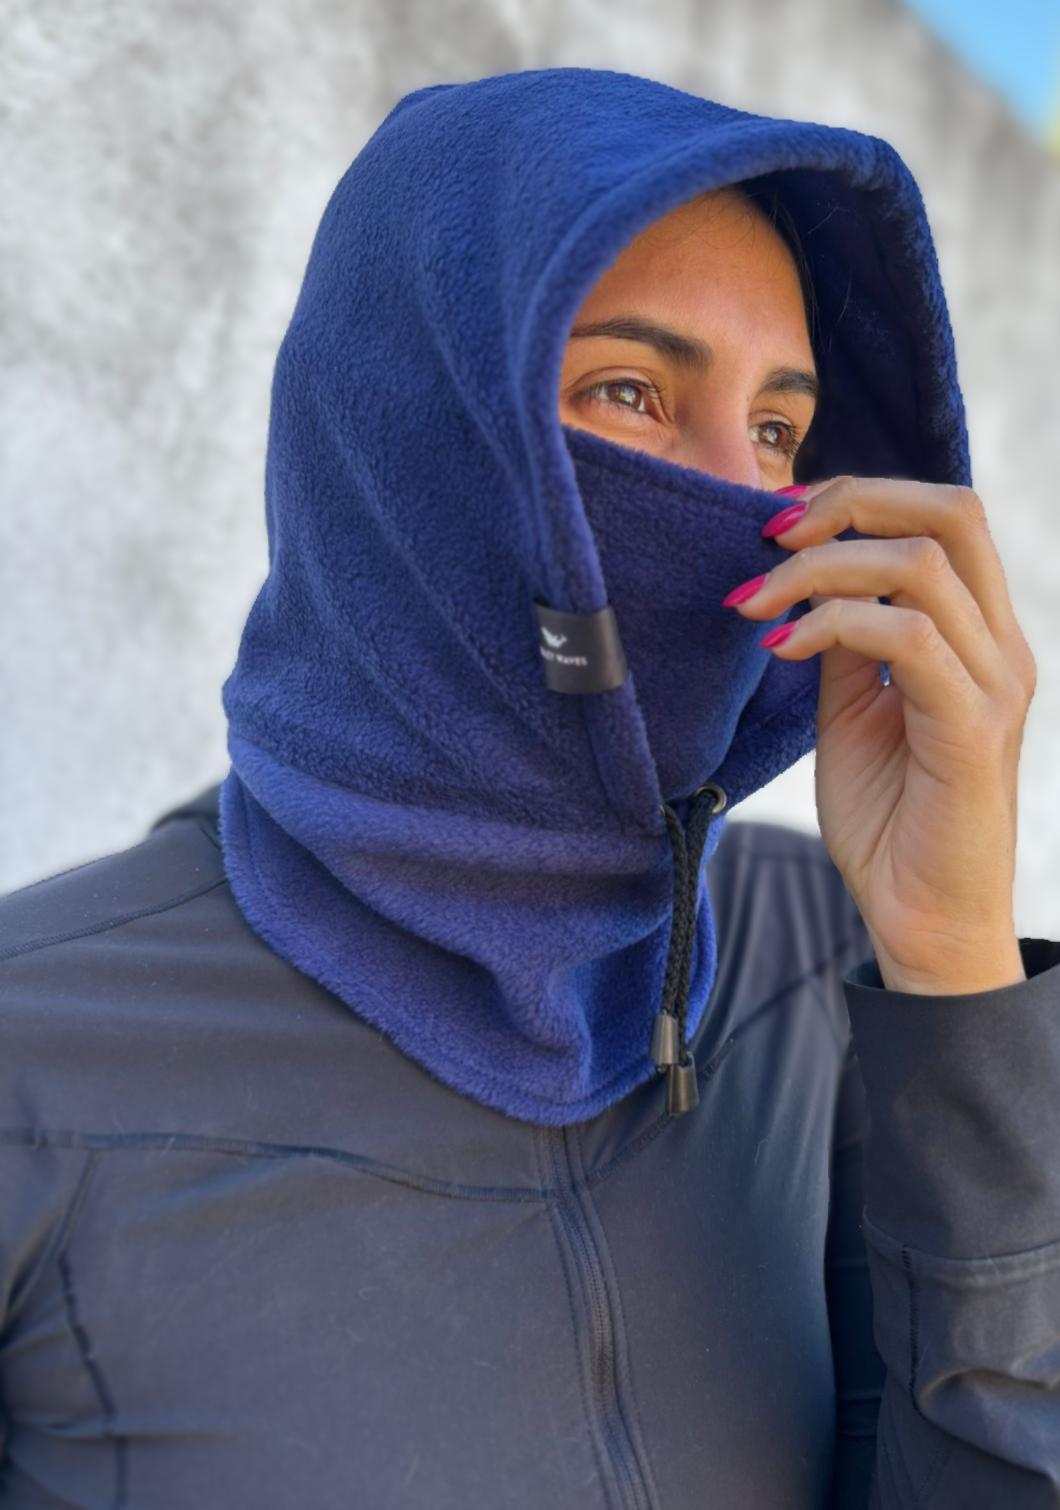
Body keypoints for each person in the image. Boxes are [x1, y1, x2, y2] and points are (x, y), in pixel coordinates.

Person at [1, 65, 1057, 1509]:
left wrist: (953, 963)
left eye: (777, 433)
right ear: (419, 437)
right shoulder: (38, 1058)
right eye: (630, 393)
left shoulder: (815, 952)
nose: (741, 499)